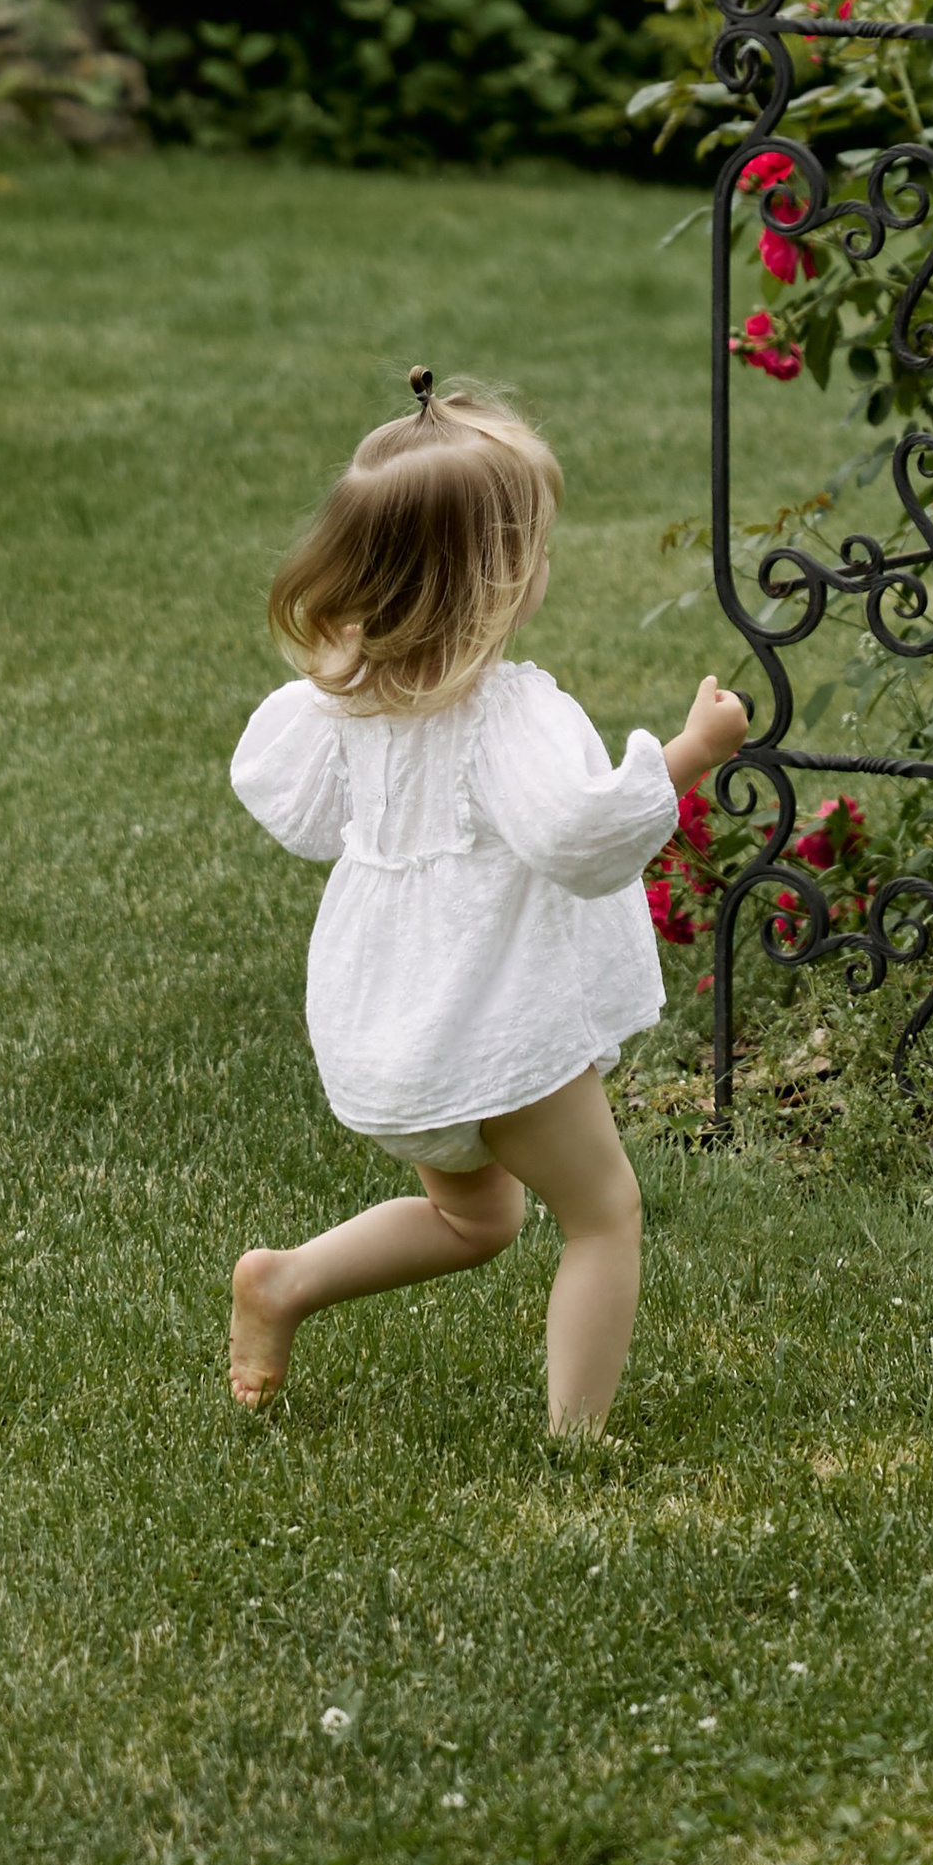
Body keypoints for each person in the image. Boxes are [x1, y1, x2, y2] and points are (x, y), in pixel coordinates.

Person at [227, 368, 746, 1431]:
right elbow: (579, 838)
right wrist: (693, 752)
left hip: (395, 1028)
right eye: (535, 547)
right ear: (496, 579)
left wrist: (338, 663)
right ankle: (575, 1441)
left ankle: (285, 1280)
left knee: (476, 1219)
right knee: (604, 1213)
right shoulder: (509, 713)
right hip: (494, 1020)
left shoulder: (345, 702)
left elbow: (287, 802)